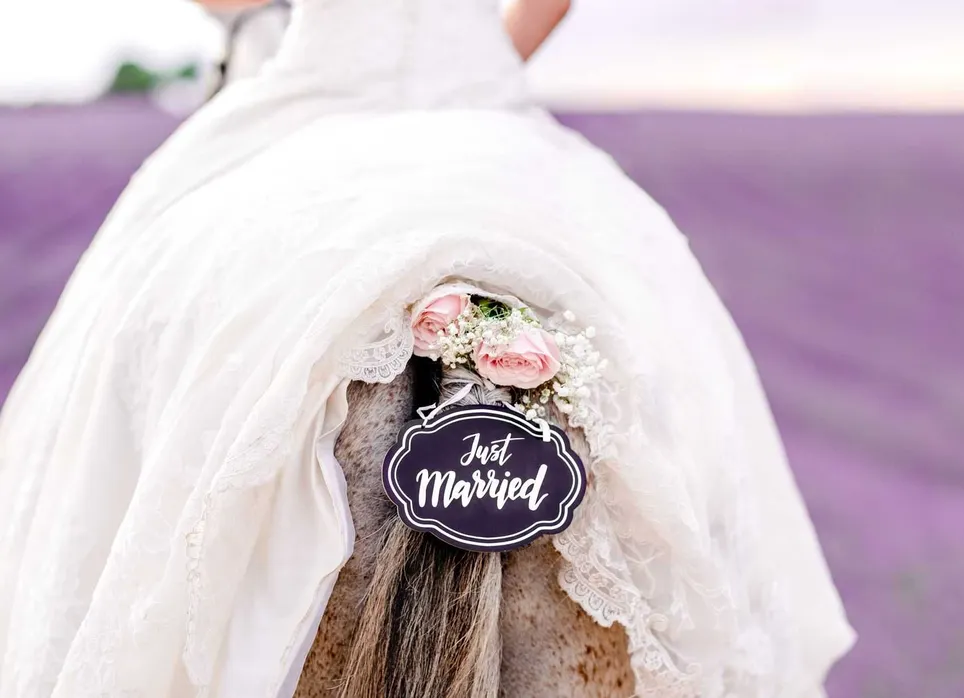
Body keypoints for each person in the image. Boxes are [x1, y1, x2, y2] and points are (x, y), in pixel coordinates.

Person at [0, 1, 855, 696]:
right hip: (476, 85)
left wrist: (259, 20)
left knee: (111, 349)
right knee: (680, 339)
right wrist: (480, 55)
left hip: (315, 80)